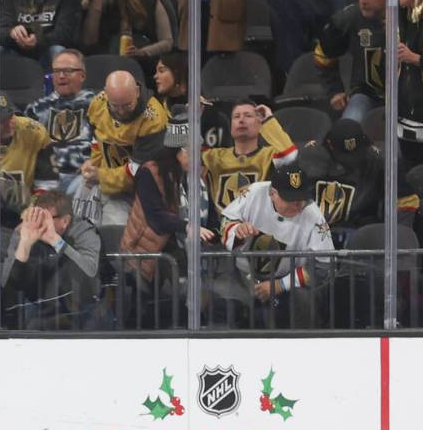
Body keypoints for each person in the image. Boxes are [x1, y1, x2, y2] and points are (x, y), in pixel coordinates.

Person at [119, 111, 214, 327]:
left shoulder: (198, 174)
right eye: (192, 151)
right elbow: (156, 218)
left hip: (180, 248)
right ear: (178, 152)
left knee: (190, 302)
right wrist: (189, 227)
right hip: (147, 251)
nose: (197, 156)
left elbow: (210, 213)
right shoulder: (149, 173)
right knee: (146, 314)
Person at [217, 162, 334, 328]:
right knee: (224, 303)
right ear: (272, 193)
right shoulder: (253, 193)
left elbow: (323, 266)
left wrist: (280, 285)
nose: (298, 205)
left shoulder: (313, 215)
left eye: (301, 198)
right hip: (241, 275)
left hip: (287, 281)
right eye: (291, 199)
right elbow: (226, 219)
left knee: (302, 302)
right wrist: (237, 230)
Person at [297, 119, 418, 244]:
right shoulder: (308, 157)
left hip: (359, 237)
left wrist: (398, 239)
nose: (351, 162)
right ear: (330, 145)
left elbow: (407, 199)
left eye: (355, 154)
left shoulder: (378, 162)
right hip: (310, 233)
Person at [1, 190, 102, 330]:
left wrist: (55, 240)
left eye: (45, 218)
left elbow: (89, 273)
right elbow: (8, 284)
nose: (38, 223)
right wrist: (25, 243)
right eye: (36, 215)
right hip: (38, 304)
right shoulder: (27, 229)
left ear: (65, 221)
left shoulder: (83, 232)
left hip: (81, 305)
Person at [81, 70, 170, 225]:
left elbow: (136, 172)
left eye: (127, 105)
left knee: (114, 230)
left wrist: (101, 176)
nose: (121, 112)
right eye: (115, 105)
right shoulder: (98, 104)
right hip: (106, 178)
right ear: (106, 94)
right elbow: (97, 138)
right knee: (78, 218)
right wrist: (93, 165)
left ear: (137, 91)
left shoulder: (154, 119)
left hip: (141, 190)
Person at [202, 100, 298, 221]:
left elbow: (291, 156)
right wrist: (188, 118)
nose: (241, 120)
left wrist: (269, 120)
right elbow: (181, 155)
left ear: (260, 123)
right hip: (222, 231)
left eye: (248, 116)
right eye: (236, 117)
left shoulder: (269, 154)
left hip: (262, 230)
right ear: (230, 126)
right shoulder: (214, 156)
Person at [81, 0, 174, 74]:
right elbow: (89, 42)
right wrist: (96, 4)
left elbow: (167, 42)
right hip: (108, 64)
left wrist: (142, 52)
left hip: (143, 64)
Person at [0, 94, 53, 229]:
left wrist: (33, 215)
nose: (10, 123)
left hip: (27, 211)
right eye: (1, 121)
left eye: (10, 116)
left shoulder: (35, 132)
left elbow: (48, 180)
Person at [314, 0, 386, 123]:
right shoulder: (348, 18)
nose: (363, 0)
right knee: (347, 130)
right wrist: (335, 90)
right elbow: (323, 53)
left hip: (406, 97)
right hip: (366, 94)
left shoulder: (411, 16)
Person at [24, 48, 97, 193]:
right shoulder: (36, 109)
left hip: (82, 176)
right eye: (56, 71)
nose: (61, 76)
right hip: (45, 179)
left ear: (82, 76)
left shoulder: (97, 105)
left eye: (68, 71)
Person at [152, 51, 228, 148]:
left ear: (178, 72)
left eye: (161, 71)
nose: (155, 76)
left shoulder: (208, 114)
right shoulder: (155, 108)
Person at [398, 0, 423, 170]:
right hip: (407, 106)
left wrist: (415, 58)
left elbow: (412, 57)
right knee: (410, 166)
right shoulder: (403, 19)